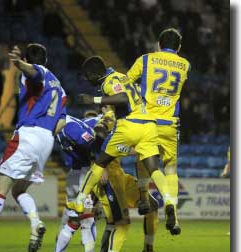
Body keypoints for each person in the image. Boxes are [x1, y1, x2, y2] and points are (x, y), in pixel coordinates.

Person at [0, 43, 67, 252]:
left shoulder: (38, 72)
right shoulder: (60, 87)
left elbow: (34, 72)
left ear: (29, 60)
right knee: (18, 190)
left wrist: (19, 63)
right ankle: (36, 223)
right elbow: (61, 121)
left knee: (0, 187)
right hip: (47, 139)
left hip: (29, 134)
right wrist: (44, 135)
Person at [66, 55, 176, 234]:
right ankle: (170, 201)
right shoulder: (122, 76)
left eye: (87, 76)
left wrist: (93, 100)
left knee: (101, 161)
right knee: (154, 169)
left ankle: (80, 200)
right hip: (148, 124)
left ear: (94, 74)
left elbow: (123, 98)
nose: (87, 80)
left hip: (129, 124)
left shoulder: (110, 80)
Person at [126, 28, 191, 235]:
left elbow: (127, 83)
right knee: (171, 170)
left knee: (143, 159)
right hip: (170, 123)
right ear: (179, 47)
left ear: (159, 44)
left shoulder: (146, 60)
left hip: (147, 122)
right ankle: (174, 213)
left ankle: (144, 196)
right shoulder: (185, 65)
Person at [52, 112, 113, 252]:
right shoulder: (59, 131)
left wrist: (102, 166)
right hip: (76, 173)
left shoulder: (72, 128)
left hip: (85, 172)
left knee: (84, 218)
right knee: (79, 218)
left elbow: (95, 142)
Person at [94, 159, 159, 252]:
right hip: (105, 175)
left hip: (120, 174)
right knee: (117, 221)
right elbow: (92, 147)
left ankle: (148, 251)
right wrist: (102, 168)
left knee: (152, 205)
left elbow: (128, 149)